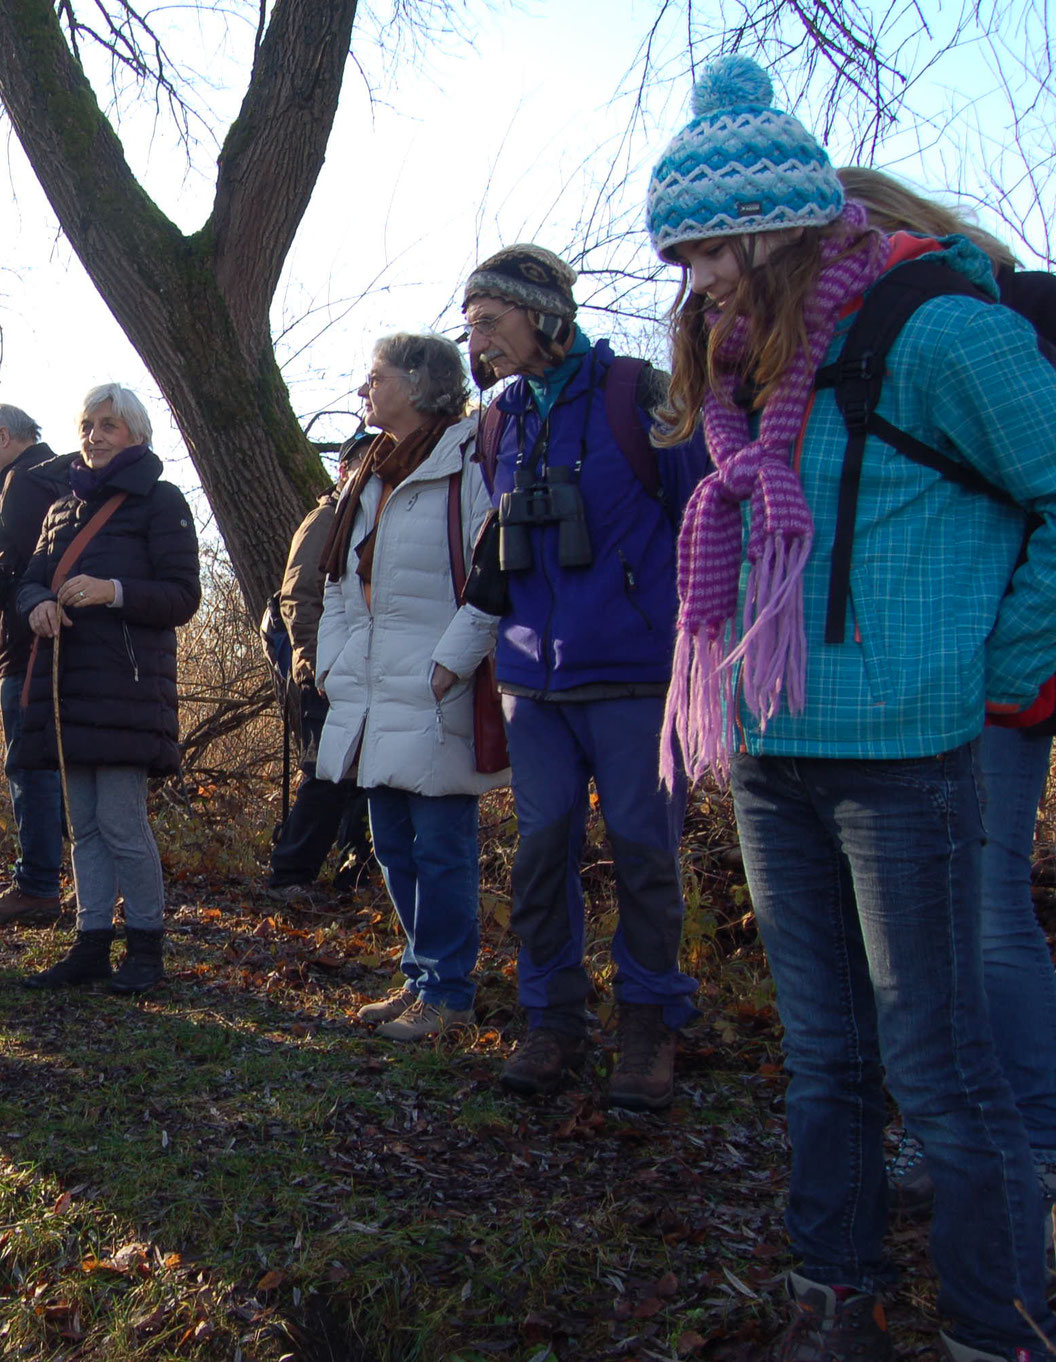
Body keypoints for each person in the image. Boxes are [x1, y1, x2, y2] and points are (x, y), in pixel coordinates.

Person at [647, 55, 1056, 1362]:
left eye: (716, 245)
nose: (699, 274)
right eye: (684, 250)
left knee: (938, 1063)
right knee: (824, 1055)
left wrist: (999, 668)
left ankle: (998, 1325)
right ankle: (842, 1296)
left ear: (785, 224)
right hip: (775, 747)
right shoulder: (742, 367)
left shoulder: (939, 328)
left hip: (910, 756)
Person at [837, 167, 1056, 1222]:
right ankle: (969, 1137)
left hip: (994, 678)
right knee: (945, 913)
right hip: (923, 678)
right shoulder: (844, 346)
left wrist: (1008, 665)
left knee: (985, 909)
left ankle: (1035, 1145)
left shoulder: (996, 319)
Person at [461, 242, 707, 1108]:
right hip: (533, 682)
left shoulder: (638, 394)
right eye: (471, 324)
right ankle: (554, 1017)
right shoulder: (501, 420)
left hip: (639, 673)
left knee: (643, 853)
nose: (477, 338)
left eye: (490, 320)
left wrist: (705, 648)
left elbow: (705, 513)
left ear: (542, 313)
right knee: (539, 855)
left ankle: (649, 1019)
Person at [312, 334, 504, 1040]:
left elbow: (495, 569)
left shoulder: (470, 460)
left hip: (434, 685)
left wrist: (450, 663)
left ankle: (450, 994)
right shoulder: (367, 472)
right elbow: (336, 583)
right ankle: (422, 977)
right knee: (390, 843)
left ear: (421, 384)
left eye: (375, 378)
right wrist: (333, 663)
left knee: (441, 846)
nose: (363, 392)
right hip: (367, 687)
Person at [16, 384, 201, 993]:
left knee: (122, 823)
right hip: (65, 690)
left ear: (137, 434)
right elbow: (29, 583)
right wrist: (39, 604)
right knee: (86, 827)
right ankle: (91, 944)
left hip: (127, 690)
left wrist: (111, 591)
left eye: (108, 425)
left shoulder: (162, 500)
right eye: (88, 425)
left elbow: (181, 596)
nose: (93, 435)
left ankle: (146, 949)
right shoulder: (60, 508)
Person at [0, 403, 74, 926]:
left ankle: (36, 888)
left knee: (29, 765)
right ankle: (77, 882)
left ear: (4, 436)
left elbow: (6, 576)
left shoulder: (24, 485)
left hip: (26, 649)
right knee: (64, 768)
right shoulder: (70, 478)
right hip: (69, 646)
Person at [262, 440, 374, 901]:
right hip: (324, 670)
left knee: (362, 775)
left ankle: (356, 871)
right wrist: (311, 662)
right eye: (366, 463)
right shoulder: (328, 518)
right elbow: (298, 596)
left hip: (363, 668)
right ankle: (289, 874)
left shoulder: (376, 517)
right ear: (345, 469)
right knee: (329, 774)